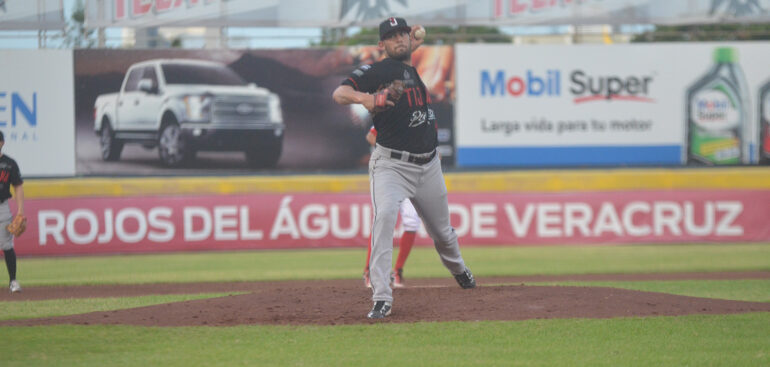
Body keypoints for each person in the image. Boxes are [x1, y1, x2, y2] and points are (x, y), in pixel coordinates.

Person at [333, 17, 475, 319]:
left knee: (443, 233)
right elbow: (340, 93)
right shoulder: (378, 70)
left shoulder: (410, 66)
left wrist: (414, 41)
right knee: (385, 217)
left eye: (402, 34)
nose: (399, 39)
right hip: (392, 165)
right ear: (381, 45)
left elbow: (409, 47)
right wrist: (367, 98)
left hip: (429, 164)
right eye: (391, 36)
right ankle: (382, 296)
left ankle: (460, 269)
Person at [363, 126, 420, 289]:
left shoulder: (422, 116)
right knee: (383, 221)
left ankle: (398, 271)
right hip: (390, 173)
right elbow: (371, 136)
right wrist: (392, 151)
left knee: (412, 221)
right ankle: (369, 271)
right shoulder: (392, 112)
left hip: (412, 174)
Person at [0, 131, 25, 293]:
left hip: (2, 207)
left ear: (1, 143)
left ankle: (13, 281)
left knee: (6, 245)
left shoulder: (9, 164)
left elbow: (18, 186)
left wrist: (20, 211)